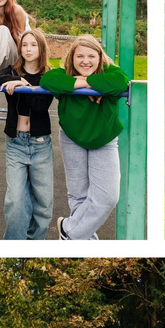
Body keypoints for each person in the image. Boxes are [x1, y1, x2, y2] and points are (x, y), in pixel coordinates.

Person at [53, 35, 127, 242]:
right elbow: (47, 80)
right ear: (72, 59)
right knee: (79, 196)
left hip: (104, 139)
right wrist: (86, 84)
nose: (85, 61)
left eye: (91, 56)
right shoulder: (64, 74)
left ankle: (68, 230)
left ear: (100, 58)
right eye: (80, 56)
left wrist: (83, 83)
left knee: (108, 196)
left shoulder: (110, 73)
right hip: (72, 138)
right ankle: (85, 242)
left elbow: (120, 82)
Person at [0, 28, 58, 239]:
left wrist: (24, 85)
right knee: (16, 200)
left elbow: (39, 106)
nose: (28, 49)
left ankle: (34, 243)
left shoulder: (48, 76)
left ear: (41, 48)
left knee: (43, 202)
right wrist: (16, 78)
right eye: (25, 45)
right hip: (15, 142)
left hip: (40, 143)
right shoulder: (12, 70)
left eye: (33, 45)